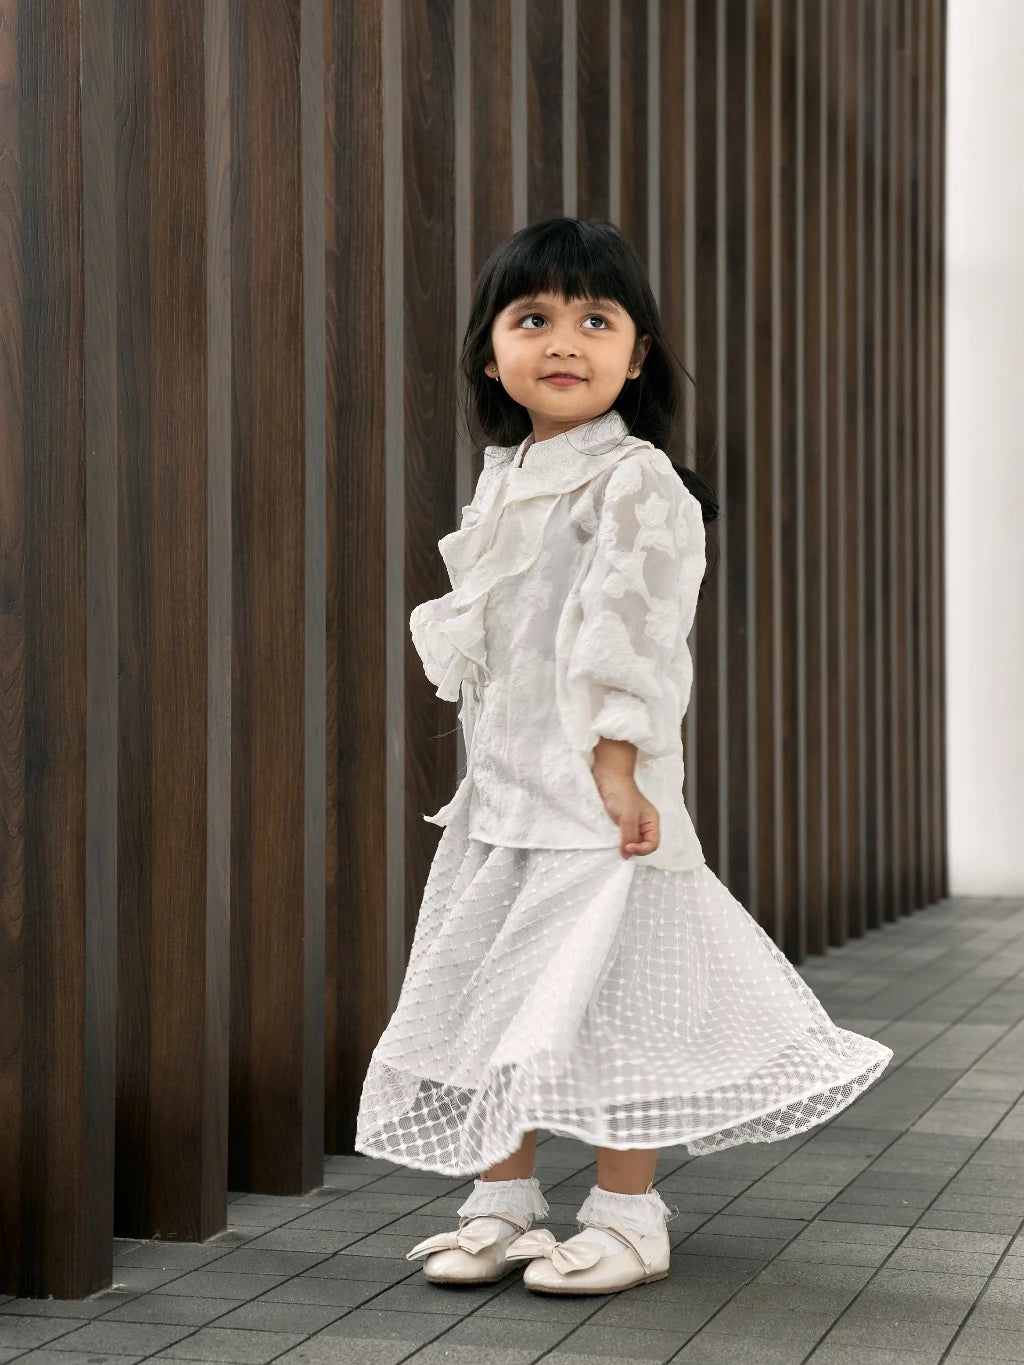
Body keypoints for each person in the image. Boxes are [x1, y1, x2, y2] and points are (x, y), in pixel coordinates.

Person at [354, 217, 893, 1296]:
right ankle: (502, 1204)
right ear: (491, 349)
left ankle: (627, 1216)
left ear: (635, 354)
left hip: (598, 805)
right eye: (533, 319)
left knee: (613, 1012)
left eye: (594, 321)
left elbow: (629, 631)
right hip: (503, 802)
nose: (564, 341)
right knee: (495, 1002)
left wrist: (616, 762)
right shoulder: (508, 471)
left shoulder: (635, 479)